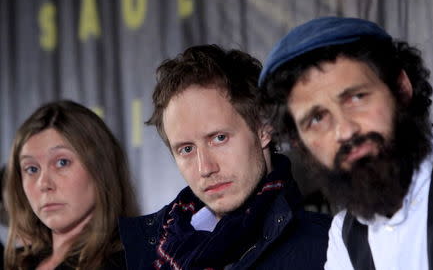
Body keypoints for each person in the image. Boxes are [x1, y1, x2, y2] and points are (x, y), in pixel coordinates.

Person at [258, 16, 433, 270]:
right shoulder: (346, 237)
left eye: (357, 98)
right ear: (299, 142)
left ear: (401, 88)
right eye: (316, 119)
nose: (345, 131)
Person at [119, 44, 331, 270]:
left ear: (263, 129)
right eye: (187, 149)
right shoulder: (149, 251)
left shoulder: (328, 248)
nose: (205, 168)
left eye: (219, 138)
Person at [4, 100, 138, 269]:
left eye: (62, 162)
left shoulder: (130, 262)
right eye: (31, 169)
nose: (43, 184)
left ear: (100, 168)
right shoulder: (16, 262)